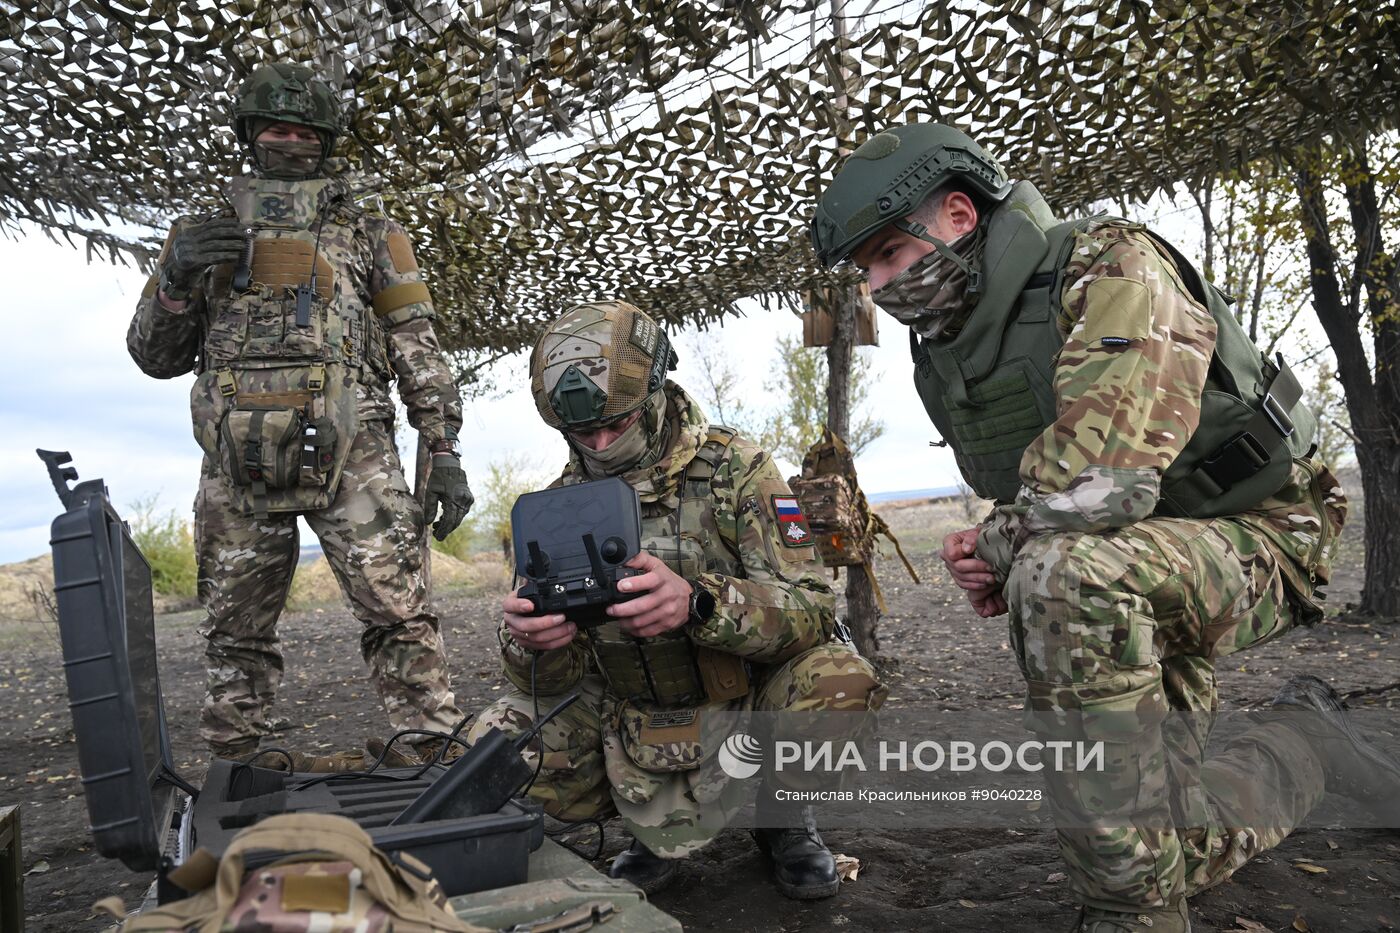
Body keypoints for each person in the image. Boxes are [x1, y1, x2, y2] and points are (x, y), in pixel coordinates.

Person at [811, 123, 1398, 932]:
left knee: (1062, 579)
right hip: (1153, 554)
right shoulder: (949, 351)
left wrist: (1007, 547)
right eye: (865, 269)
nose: (878, 284)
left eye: (887, 254)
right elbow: (1032, 494)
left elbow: (1099, 483)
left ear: (956, 215)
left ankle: (1130, 915)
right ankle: (1303, 747)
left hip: (1267, 530)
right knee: (1158, 834)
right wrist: (996, 546)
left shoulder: (1109, 264)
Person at [467, 301, 887, 899]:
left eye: (620, 422)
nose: (604, 442)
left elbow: (814, 606)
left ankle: (785, 821)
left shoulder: (736, 468)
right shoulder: (555, 507)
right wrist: (530, 642)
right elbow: (550, 678)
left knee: (840, 681)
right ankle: (647, 829)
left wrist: (701, 605)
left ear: (658, 392)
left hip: (741, 700)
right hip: (634, 712)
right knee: (498, 741)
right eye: (585, 433)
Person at [127, 63, 474, 766]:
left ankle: (433, 753)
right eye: (275, 128)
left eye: (303, 130)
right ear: (250, 135)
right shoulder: (198, 236)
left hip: (356, 447)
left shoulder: (374, 233)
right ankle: (237, 769)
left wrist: (442, 445)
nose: (289, 141)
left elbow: (417, 343)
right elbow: (154, 357)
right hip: (237, 457)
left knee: (398, 610)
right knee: (233, 628)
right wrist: (172, 279)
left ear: (325, 140)